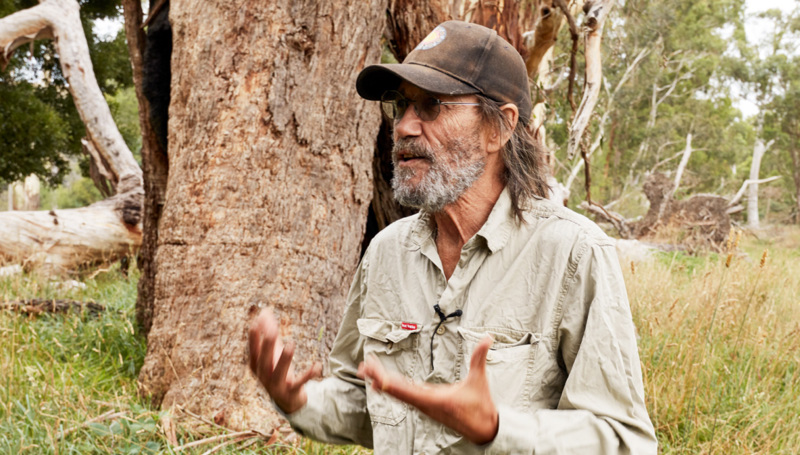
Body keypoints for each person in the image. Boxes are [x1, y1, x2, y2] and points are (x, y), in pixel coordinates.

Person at [249, 20, 657, 454]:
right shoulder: (387, 253)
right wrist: (296, 400)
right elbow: (363, 406)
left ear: (497, 129)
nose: (404, 126)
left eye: (431, 105)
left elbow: (624, 440)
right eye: (400, 106)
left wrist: (497, 427)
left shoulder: (573, 254)